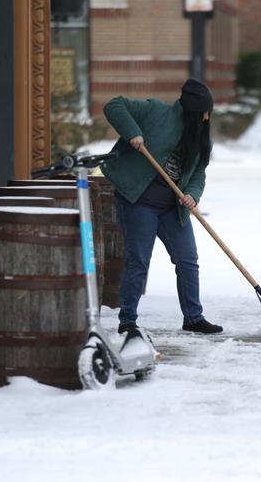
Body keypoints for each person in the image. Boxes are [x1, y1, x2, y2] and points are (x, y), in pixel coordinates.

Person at [101, 78, 223, 335]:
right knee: (139, 261)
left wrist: (191, 194)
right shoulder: (157, 112)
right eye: (203, 112)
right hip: (138, 203)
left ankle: (193, 317)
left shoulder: (202, 139)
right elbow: (114, 105)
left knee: (188, 259)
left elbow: (199, 175)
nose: (206, 118)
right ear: (190, 111)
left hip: (172, 208)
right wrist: (132, 132)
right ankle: (128, 321)